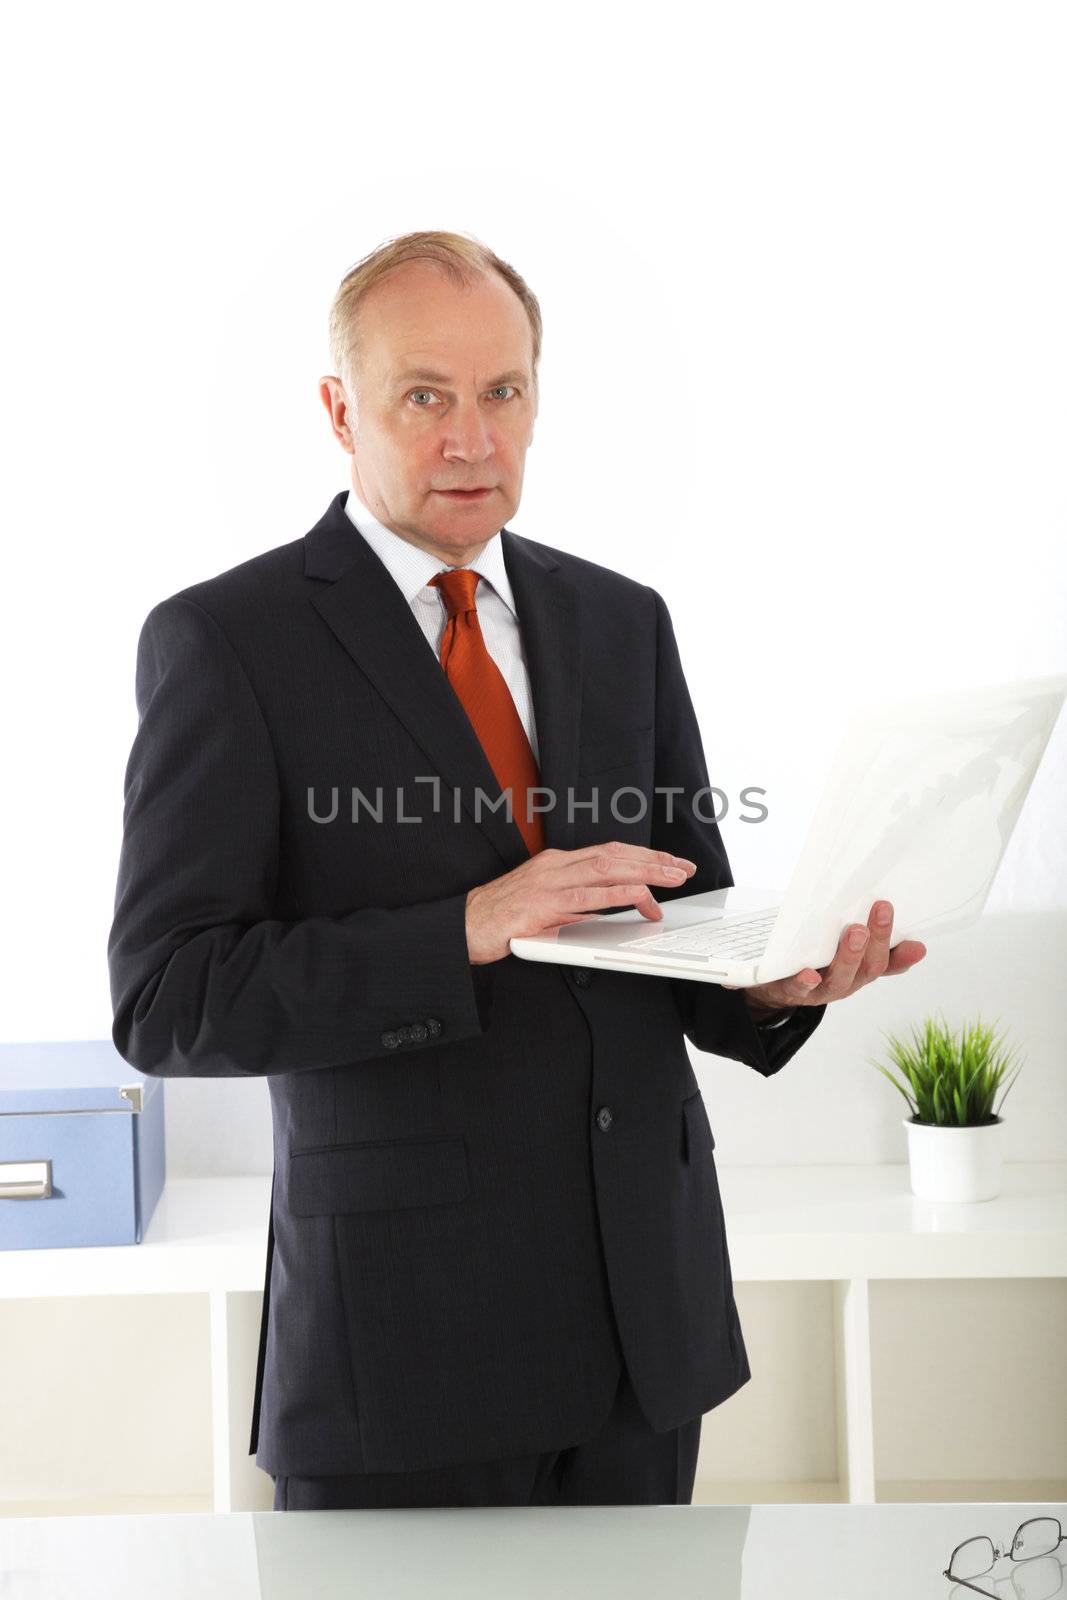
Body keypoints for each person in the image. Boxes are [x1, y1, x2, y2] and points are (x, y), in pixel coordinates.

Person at [107, 230, 926, 1511]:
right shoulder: (226, 641)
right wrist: (470, 924)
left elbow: (676, 913)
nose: (471, 438)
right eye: (423, 395)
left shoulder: (620, 619)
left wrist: (775, 986)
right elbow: (166, 998)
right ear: (340, 410)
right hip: (403, 1344)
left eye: (503, 393)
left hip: (641, 1322)